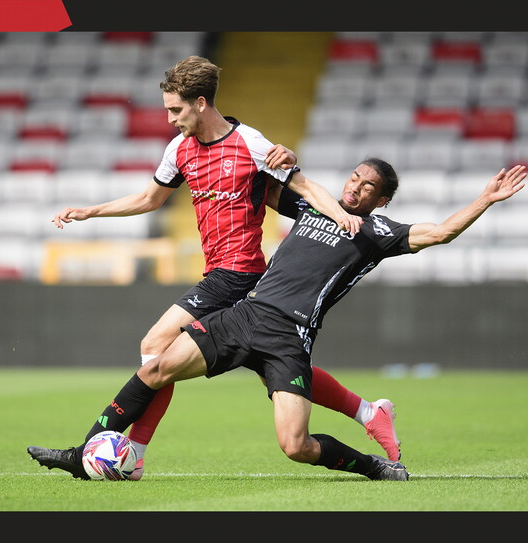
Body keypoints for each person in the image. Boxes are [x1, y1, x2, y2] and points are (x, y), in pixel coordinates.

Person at [28, 159, 528, 481]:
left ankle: (374, 467)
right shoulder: (314, 206)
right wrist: (276, 159)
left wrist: (485, 198)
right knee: (155, 365)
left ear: (383, 199)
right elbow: (259, 183)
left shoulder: (379, 231)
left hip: (289, 338)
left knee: (296, 446)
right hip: (243, 316)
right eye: (354, 177)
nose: (355, 188)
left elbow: (440, 232)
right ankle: (88, 450)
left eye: (367, 186)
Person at [35, 56, 401, 479]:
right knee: (273, 371)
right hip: (219, 274)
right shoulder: (179, 149)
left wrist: (337, 212)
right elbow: (150, 199)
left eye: (176, 110)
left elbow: (302, 186)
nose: (170, 119)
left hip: (240, 274)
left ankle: (117, 452)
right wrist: (92, 211)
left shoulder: (251, 143)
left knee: (155, 346)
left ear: (202, 103)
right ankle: (368, 411)